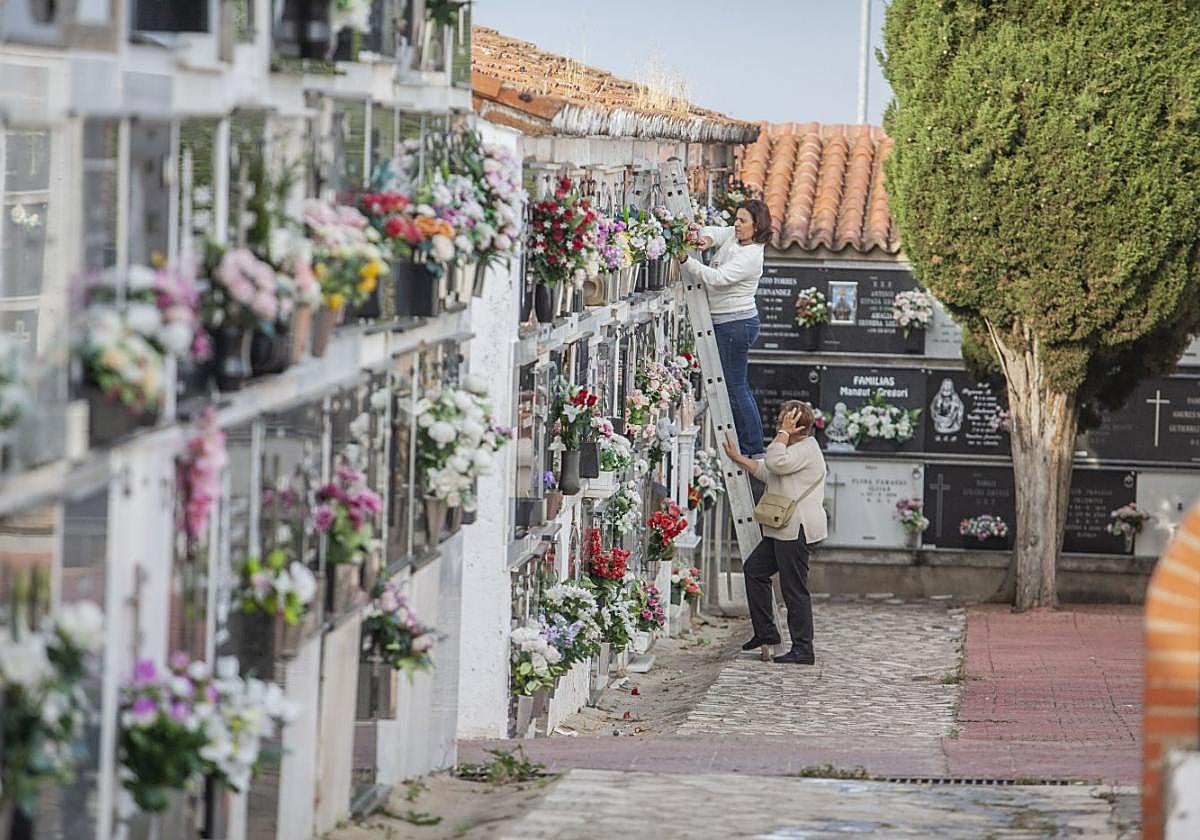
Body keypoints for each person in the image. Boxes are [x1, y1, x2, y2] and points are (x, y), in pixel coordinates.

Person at [723, 400, 827, 664]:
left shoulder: (806, 448)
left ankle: (804, 649)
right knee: (755, 570)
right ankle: (766, 632)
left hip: (796, 529)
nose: (778, 423)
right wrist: (740, 459)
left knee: (794, 590)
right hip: (781, 528)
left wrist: (783, 434)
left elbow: (776, 462)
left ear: (796, 425)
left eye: (784, 419)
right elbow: (769, 472)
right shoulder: (790, 449)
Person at [677, 200, 771, 458]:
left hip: (736, 325)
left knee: (735, 386)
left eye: (742, 221)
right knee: (734, 385)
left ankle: (752, 448)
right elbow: (718, 232)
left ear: (757, 225)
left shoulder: (751, 256)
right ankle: (749, 443)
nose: (736, 225)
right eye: (737, 219)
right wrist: (706, 238)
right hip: (728, 322)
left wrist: (686, 261)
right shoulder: (736, 236)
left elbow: (718, 280)